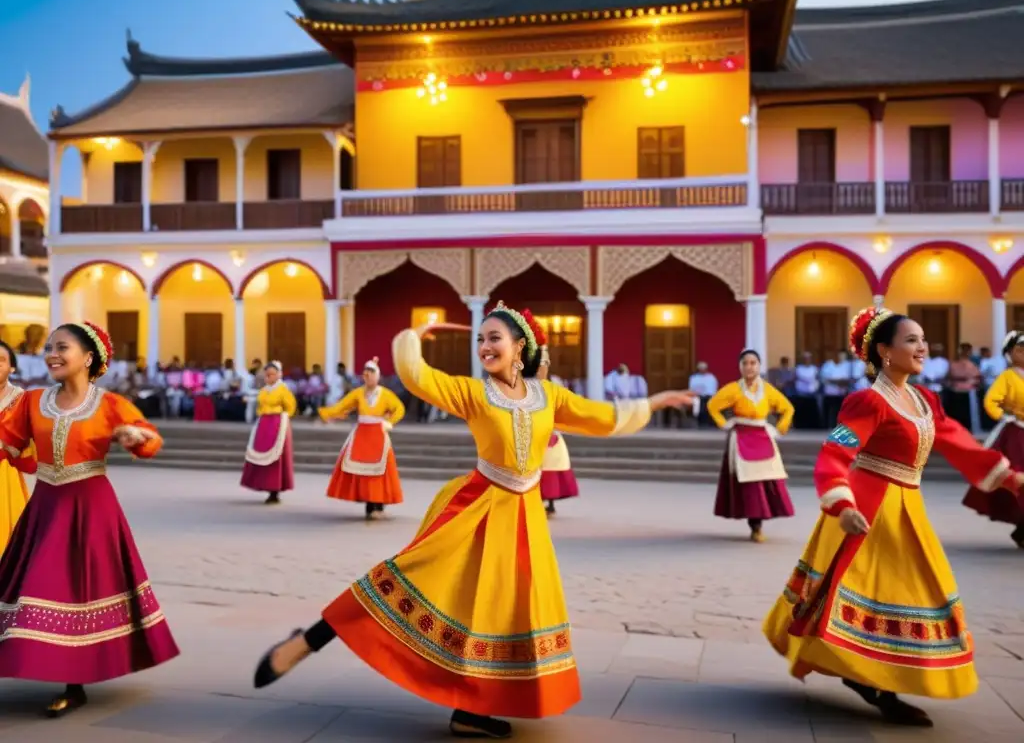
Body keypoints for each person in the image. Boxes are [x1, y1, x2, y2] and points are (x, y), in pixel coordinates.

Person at [250, 301, 695, 739]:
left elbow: (604, 418)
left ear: (520, 347)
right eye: (481, 339)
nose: (485, 346)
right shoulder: (474, 392)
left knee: (503, 613)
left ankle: (470, 711)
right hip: (475, 510)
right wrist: (412, 340)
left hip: (524, 519)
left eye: (494, 338)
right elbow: (418, 377)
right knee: (396, 580)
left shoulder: (549, 397)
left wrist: (654, 402)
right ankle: (304, 643)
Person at [763, 307, 1024, 728]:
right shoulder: (867, 401)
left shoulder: (924, 401)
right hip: (868, 509)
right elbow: (835, 452)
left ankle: (876, 676)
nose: (922, 347)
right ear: (884, 351)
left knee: (920, 588)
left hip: (909, 508)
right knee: (877, 589)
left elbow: (959, 443)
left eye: (923, 339)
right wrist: (842, 506)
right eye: (911, 340)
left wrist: (1011, 478)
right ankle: (880, 685)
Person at [0, 321, 179, 716]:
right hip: (46, 506)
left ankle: (74, 682)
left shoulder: (110, 404)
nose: (51, 354)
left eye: (61, 347)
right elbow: (7, 442)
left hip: (91, 507)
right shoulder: (31, 402)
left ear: (88, 357)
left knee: (80, 590)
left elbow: (150, 440)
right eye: (49, 347)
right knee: (37, 584)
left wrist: (137, 438)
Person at [707, 349, 795, 542]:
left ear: (759, 366)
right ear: (740, 367)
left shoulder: (768, 390)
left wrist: (779, 428)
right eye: (745, 363)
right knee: (749, 484)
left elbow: (788, 408)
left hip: (762, 436)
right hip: (741, 436)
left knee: (766, 480)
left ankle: (760, 522)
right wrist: (724, 423)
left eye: (753, 363)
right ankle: (755, 526)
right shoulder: (733, 389)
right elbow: (713, 405)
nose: (749, 367)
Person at [319, 357, 406, 519]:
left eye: (371, 373)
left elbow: (399, 408)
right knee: (363, 471)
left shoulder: (385, 395)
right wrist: (326, 413)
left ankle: (378, 504)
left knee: (379, 471)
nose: (367, 376)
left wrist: (390, 422)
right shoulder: (358, 393)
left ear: (377, 376)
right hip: (362, 434)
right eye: (365, 374)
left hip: (378, 434)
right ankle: (369, 504)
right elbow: (342, 406)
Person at [962, 330, 1024, 548]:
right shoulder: (1008, 377)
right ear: (1010, 354)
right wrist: (1007, 416)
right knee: (1016, 477)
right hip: (1016, 433)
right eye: (1020, 349)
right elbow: (991, 402)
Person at [241, 361, 298, 505]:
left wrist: (281, 420)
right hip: (264, 423)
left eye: (272, 374)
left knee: (276, 457)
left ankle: (275, 490)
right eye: (267, 375)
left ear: (279, 374)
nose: (269, 377)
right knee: (261, 455)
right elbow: (260, 406)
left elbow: (291, 407)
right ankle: (263, 484)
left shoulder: (283, 390)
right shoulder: (264, 390)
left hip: (278, 423)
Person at [0, 340, 34, 552]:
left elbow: (29, 446)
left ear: (12, 367)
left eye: (1, 360)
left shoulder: (20, 400)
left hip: (6, 476)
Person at [537, 348, 580, 515]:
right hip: (533, 431)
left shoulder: (554, 386)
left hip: (550, 432)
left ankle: (551, 502)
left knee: (551, 467)